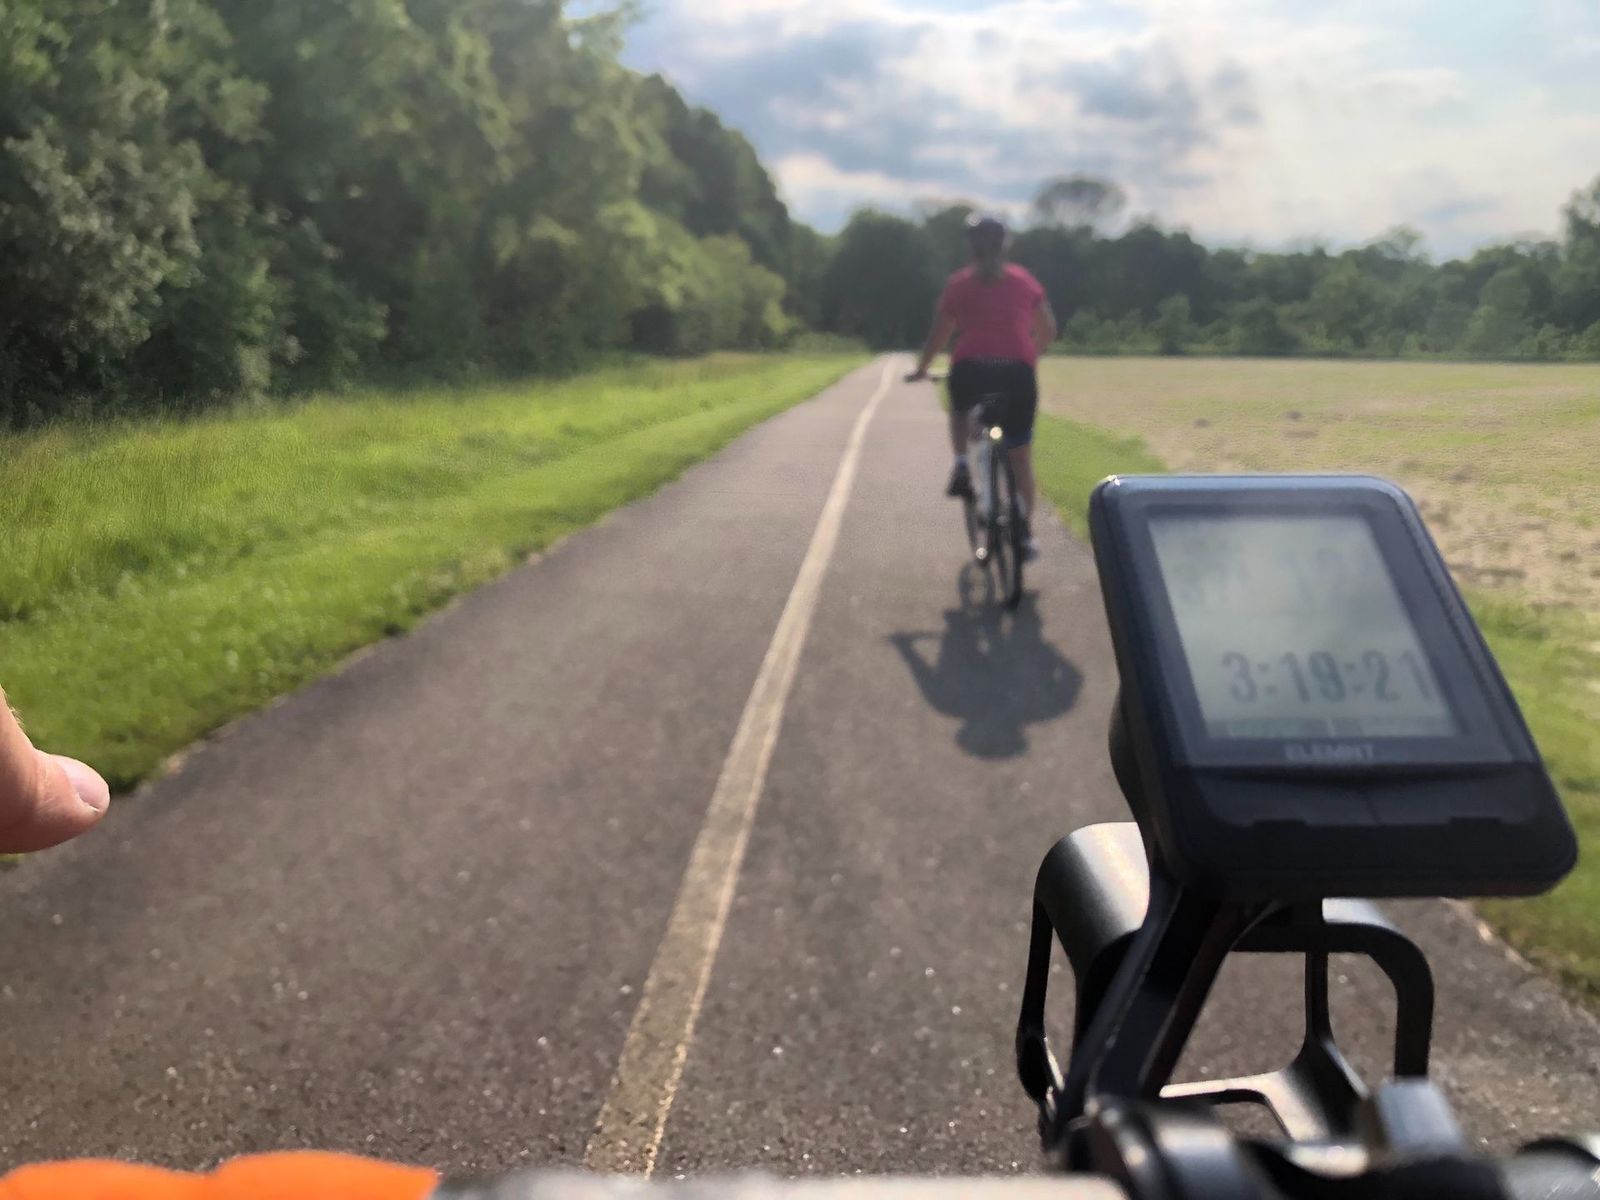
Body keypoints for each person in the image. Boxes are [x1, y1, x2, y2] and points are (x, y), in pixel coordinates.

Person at [907, 213, 1057, 561]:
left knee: (960, 410)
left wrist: (922, 369)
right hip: (1018, 373)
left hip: (971, 368)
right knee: (1020, 458)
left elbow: (939, 335)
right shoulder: (1024, 281)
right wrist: (1028, 355)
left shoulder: (959, 284)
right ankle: (1024, 534)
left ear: (970, 247)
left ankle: (961, 462)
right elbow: (1048, 329)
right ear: (1006, 245)